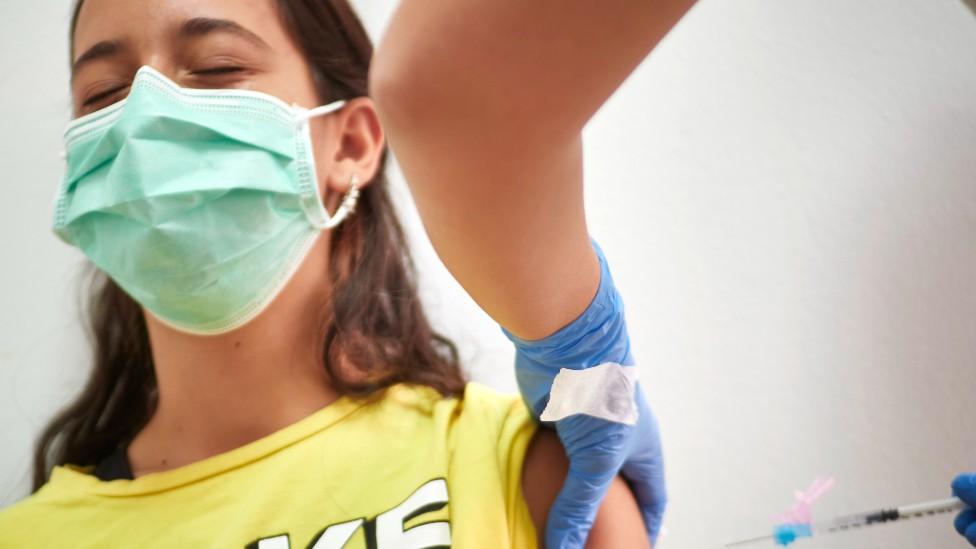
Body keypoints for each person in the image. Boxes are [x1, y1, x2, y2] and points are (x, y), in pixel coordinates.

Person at [0, 0, 699, 547]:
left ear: (352, 142)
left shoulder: (531, 474)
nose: (144, 119)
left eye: (215, 69)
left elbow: (453, 83)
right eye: (101, 95)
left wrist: (586, 357)